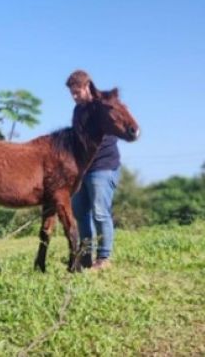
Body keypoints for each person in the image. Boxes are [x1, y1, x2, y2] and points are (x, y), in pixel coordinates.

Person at [67, 70, 121, 271]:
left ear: (87, 86)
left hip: (103, 166)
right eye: (71, 93)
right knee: (80, 212)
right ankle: (86, 256)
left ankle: (104, 258)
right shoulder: (77, 111)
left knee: (100, 212)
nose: (74, 97)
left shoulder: (102, 104)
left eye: (77, 92)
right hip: (83, 169)